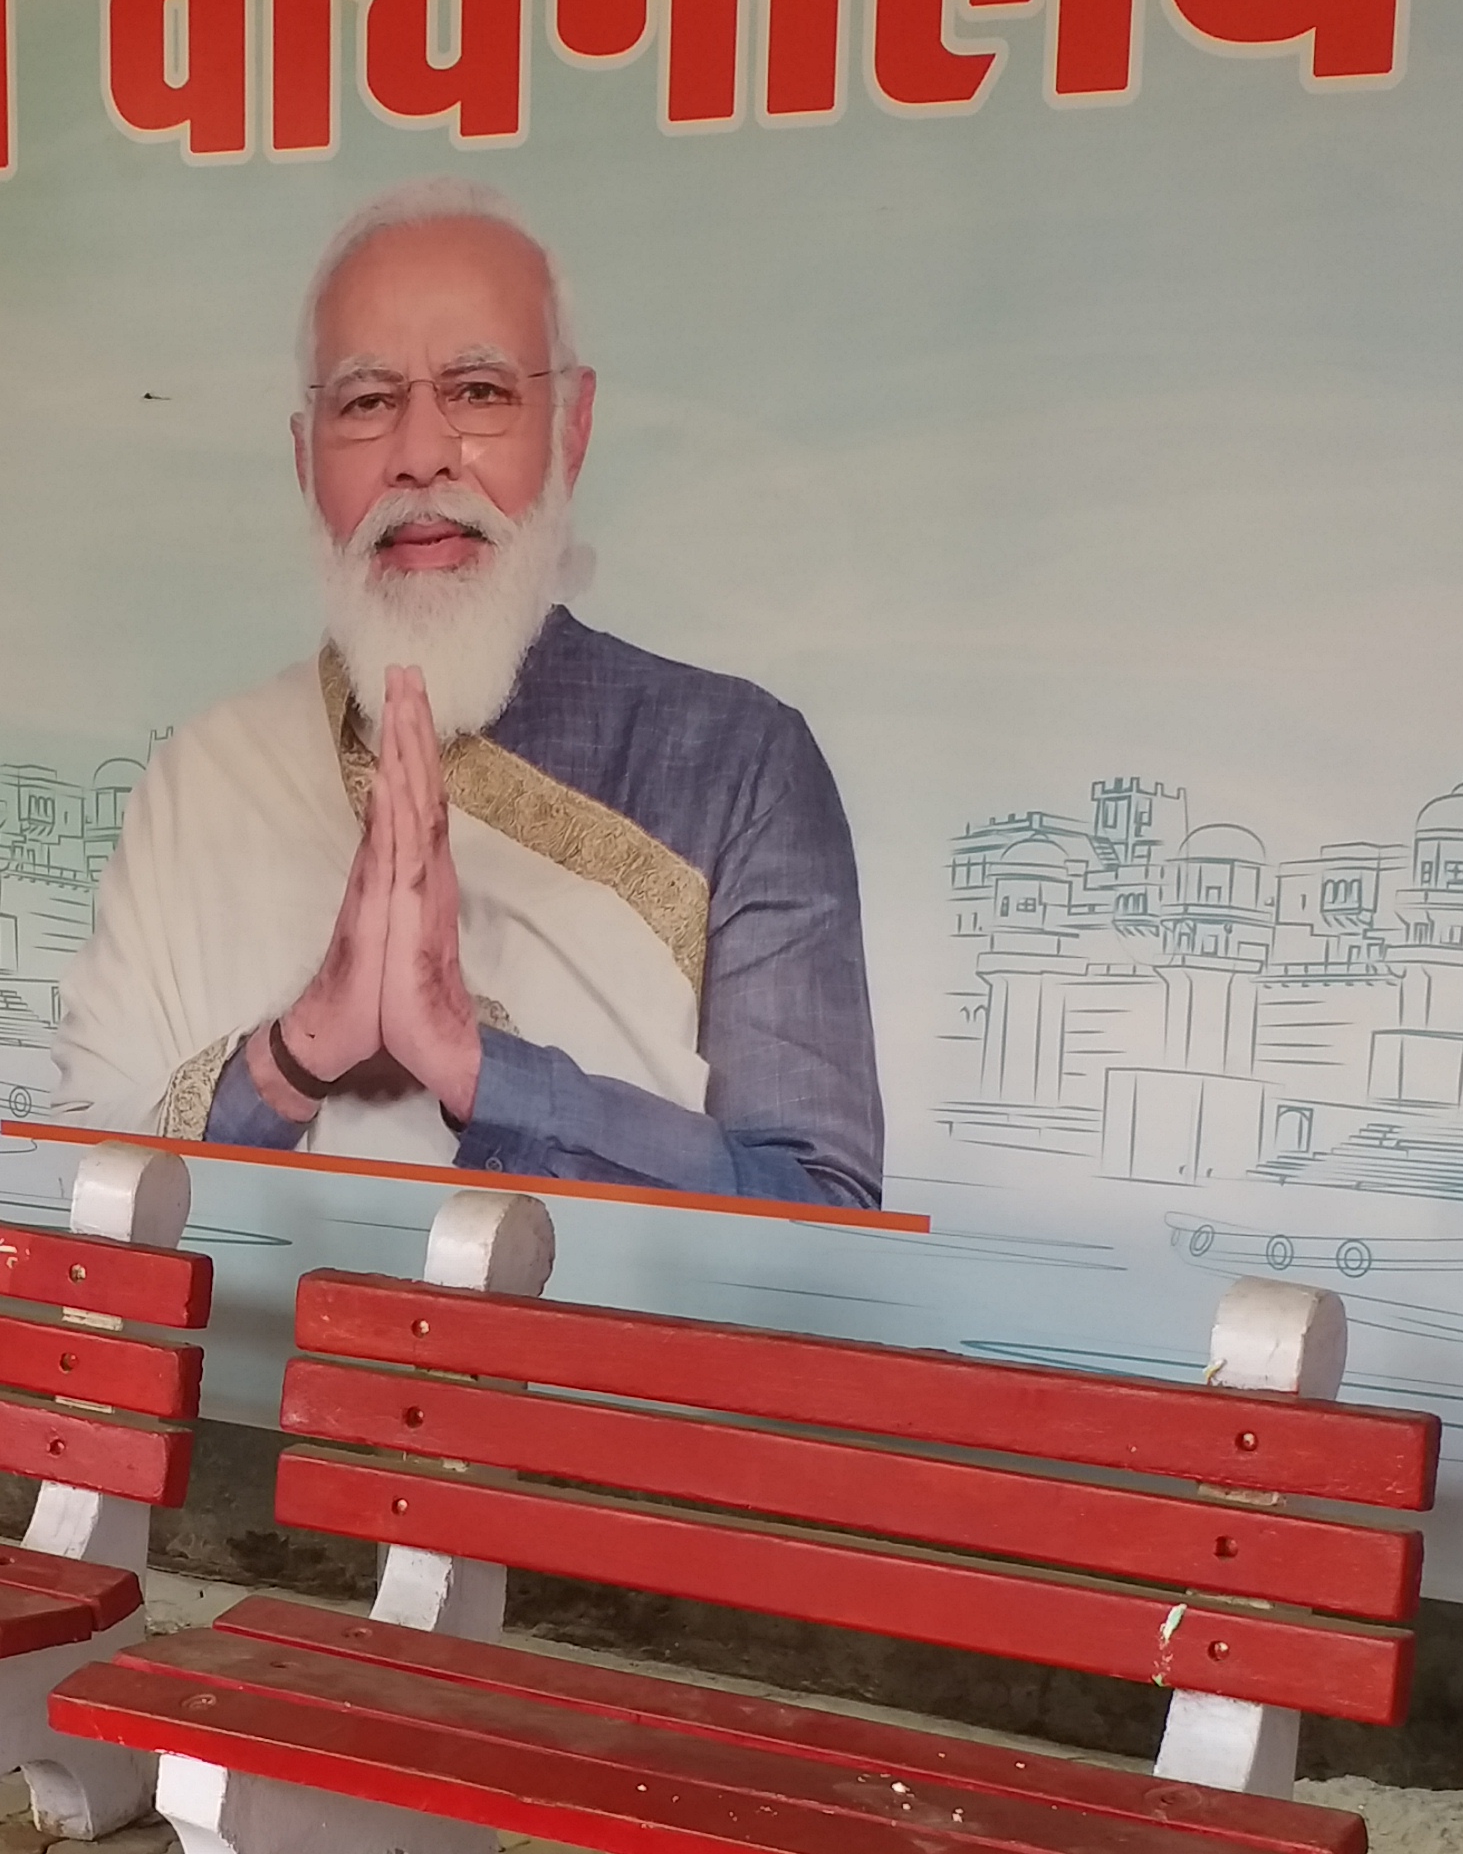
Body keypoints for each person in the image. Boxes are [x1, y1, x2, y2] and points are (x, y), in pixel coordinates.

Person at [46, 179, 885, 1208]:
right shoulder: (203, 776)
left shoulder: (743, 769)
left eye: (480, 391)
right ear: (305, 459)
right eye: (366, 402)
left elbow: (820, 1218)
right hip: (254, 1373)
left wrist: (477, 1067)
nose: (421, 454)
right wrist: (298, 1052)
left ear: (570, 429)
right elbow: (76, 1194)